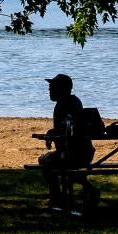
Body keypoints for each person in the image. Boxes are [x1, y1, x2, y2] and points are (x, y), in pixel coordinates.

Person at [37, 73, 97, 212]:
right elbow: (64, 129)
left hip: (74, 153)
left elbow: (67, 132)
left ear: (62, 89)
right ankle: (87, 190)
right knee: (68, 169)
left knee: (45, 161)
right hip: (85, 151)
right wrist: (52, 133)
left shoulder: (63, 105)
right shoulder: (74, 102)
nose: (49, 90)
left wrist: (52, 135)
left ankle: (57, 198)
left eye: (52, 87)